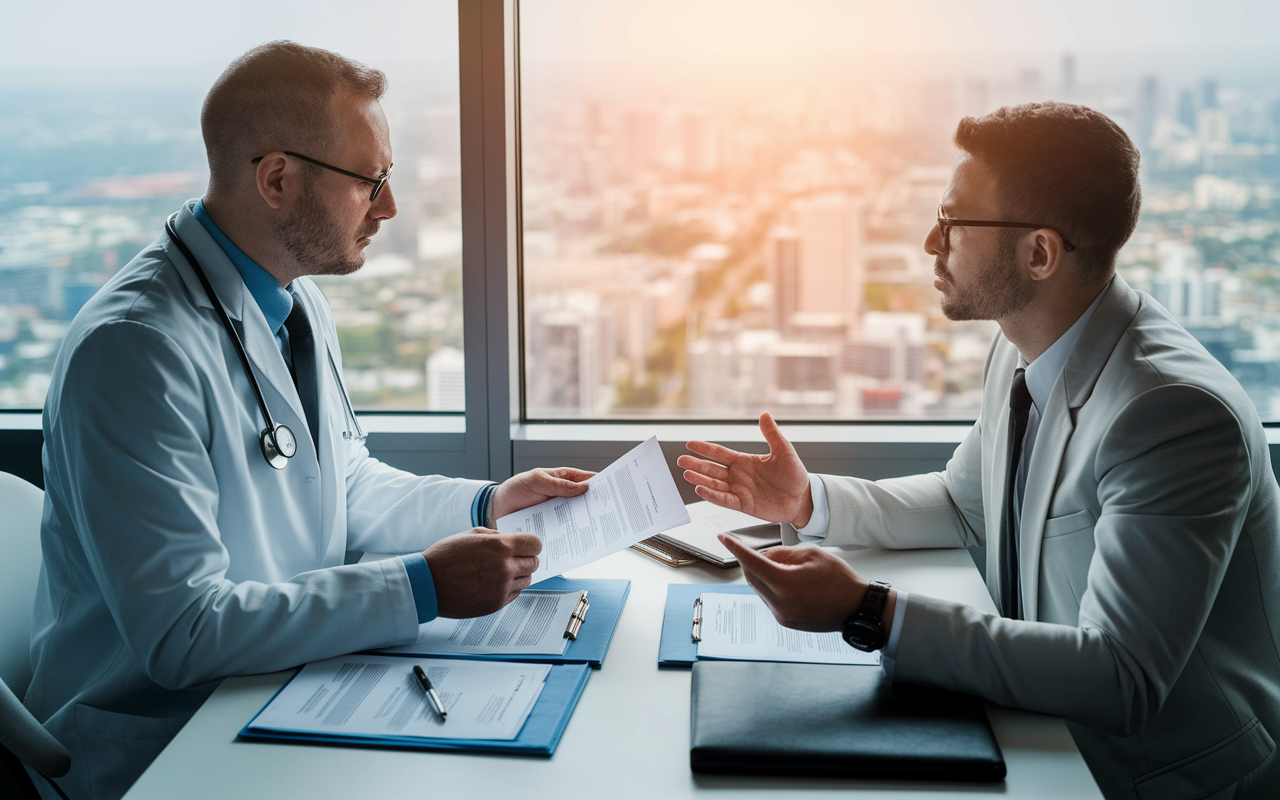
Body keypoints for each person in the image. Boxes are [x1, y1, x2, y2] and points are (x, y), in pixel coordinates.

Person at [24, 42, 588, 800]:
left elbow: (342, 482)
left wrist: (487, 504)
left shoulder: (292, 300)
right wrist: (421, 586)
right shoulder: (134, 350)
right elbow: (183, 633)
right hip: (164, 743)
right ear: (278, 179)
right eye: (371, 182)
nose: (388, 207)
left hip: (278, 693)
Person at [679, 102, 1280, 800]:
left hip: (1160, 779)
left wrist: (870, 610)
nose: (933, 243)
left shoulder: (1170, 415)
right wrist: (810, 501)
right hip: (1045, 734)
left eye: (954, 224)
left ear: (1039, 253)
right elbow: (965, 505)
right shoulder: (1025, 347)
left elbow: (1123, 679)